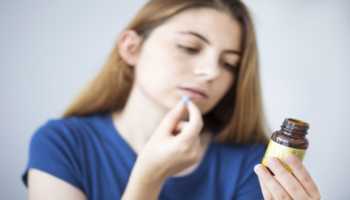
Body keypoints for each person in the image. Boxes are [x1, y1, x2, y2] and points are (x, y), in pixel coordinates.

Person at [22, 0, 321, 199]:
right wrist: (148, 178)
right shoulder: (61, 143)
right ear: (131, 48)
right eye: (190, 47)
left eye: (229, 64)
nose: (211, 72)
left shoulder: (250, 163)